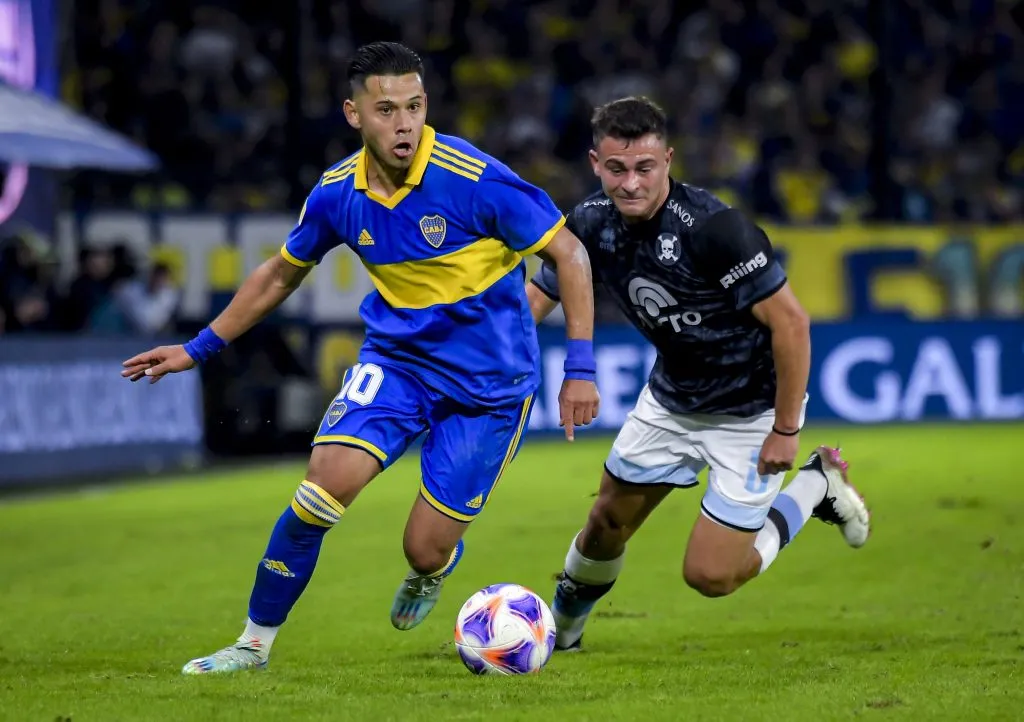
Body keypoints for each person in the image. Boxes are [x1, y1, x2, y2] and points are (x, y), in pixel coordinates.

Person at [122, 41, 600, 674]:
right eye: (386, 110)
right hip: (398, 365)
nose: (405, 124)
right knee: (319, 491)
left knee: (423, 549)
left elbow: (570, 253)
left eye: (415, 106)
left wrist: (580, 368)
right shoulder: (336, 194)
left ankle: (433, 568)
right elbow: (280, 274)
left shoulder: (474, 179)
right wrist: (197, 347)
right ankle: (253, 645)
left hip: (489, 389)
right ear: (354, 114)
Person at [526, 96, 870, 652]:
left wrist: (784, 429)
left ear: (668, 159)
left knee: (711, 576)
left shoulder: (715, 228)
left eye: (645, 167)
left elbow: (791, 324)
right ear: (595, 164)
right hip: (672, 401)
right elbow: (537, 299)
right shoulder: (588, 223)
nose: (631, 184)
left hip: (750, 412)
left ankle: (815, 484)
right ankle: (557, 638)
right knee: (606, 522)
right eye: (616, 169)